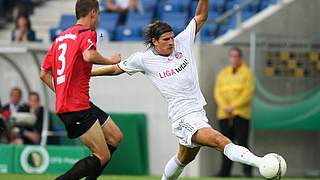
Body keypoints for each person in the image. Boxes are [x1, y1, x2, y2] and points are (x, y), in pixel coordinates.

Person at [91, 1, 265, 180]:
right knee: (219, 140)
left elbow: (201, 17)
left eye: (172, 37)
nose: (171, 42)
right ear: (154, 41)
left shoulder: (182, 41)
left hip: (198, 112)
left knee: (184, 158)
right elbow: (115, 69)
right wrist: (90, 74)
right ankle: (262, 163)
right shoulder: (143, 59)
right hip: (182, 116)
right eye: (165, 39)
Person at [40, 0, 122, 179]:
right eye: (99, 14)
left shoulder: (60, 37)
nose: (98, 18)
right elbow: (88, 55)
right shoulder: (87, 33)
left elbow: (43, 73)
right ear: (93, 13)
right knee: (102, 155)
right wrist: (111, 60)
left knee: (115, 136)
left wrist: (62, 91)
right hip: (75, 107)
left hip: (78, 102)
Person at [214, 47, 255, 177]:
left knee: (242, 142)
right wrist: (225, 106)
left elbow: (247, 93)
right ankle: (224, 172)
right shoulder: (223, 73)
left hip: (241, 114)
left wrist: (233, 106)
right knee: (225, 145)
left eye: (236, 56)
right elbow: (217, 92)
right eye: (232, 56)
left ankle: (247, 172)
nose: (234, 58)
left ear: (240, 58)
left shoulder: (247, 73)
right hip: (224, 114)